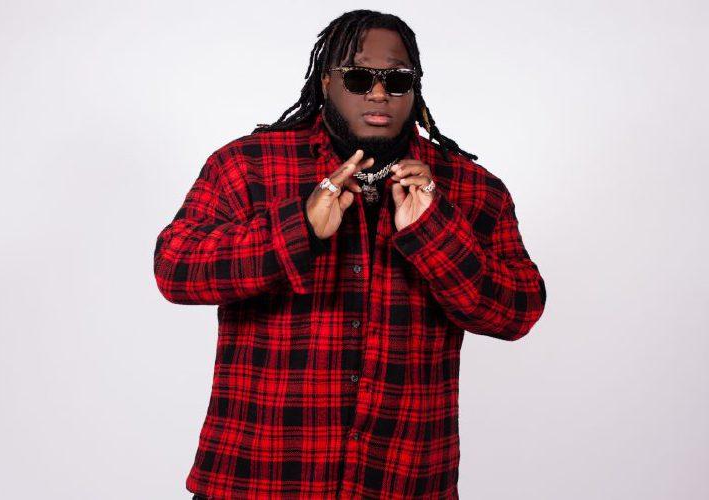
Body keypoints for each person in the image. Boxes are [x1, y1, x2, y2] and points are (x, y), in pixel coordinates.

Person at [154, 9, 547, 500]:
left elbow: (518, 312)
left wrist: (435, 233)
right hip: (258, 479)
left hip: (402, 483)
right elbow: (175, 267)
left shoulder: (471, 189)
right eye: (359, 78)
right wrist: (299, 228)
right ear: (327, 82)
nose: (379, 93)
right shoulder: (249, 166)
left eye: (396, 80)